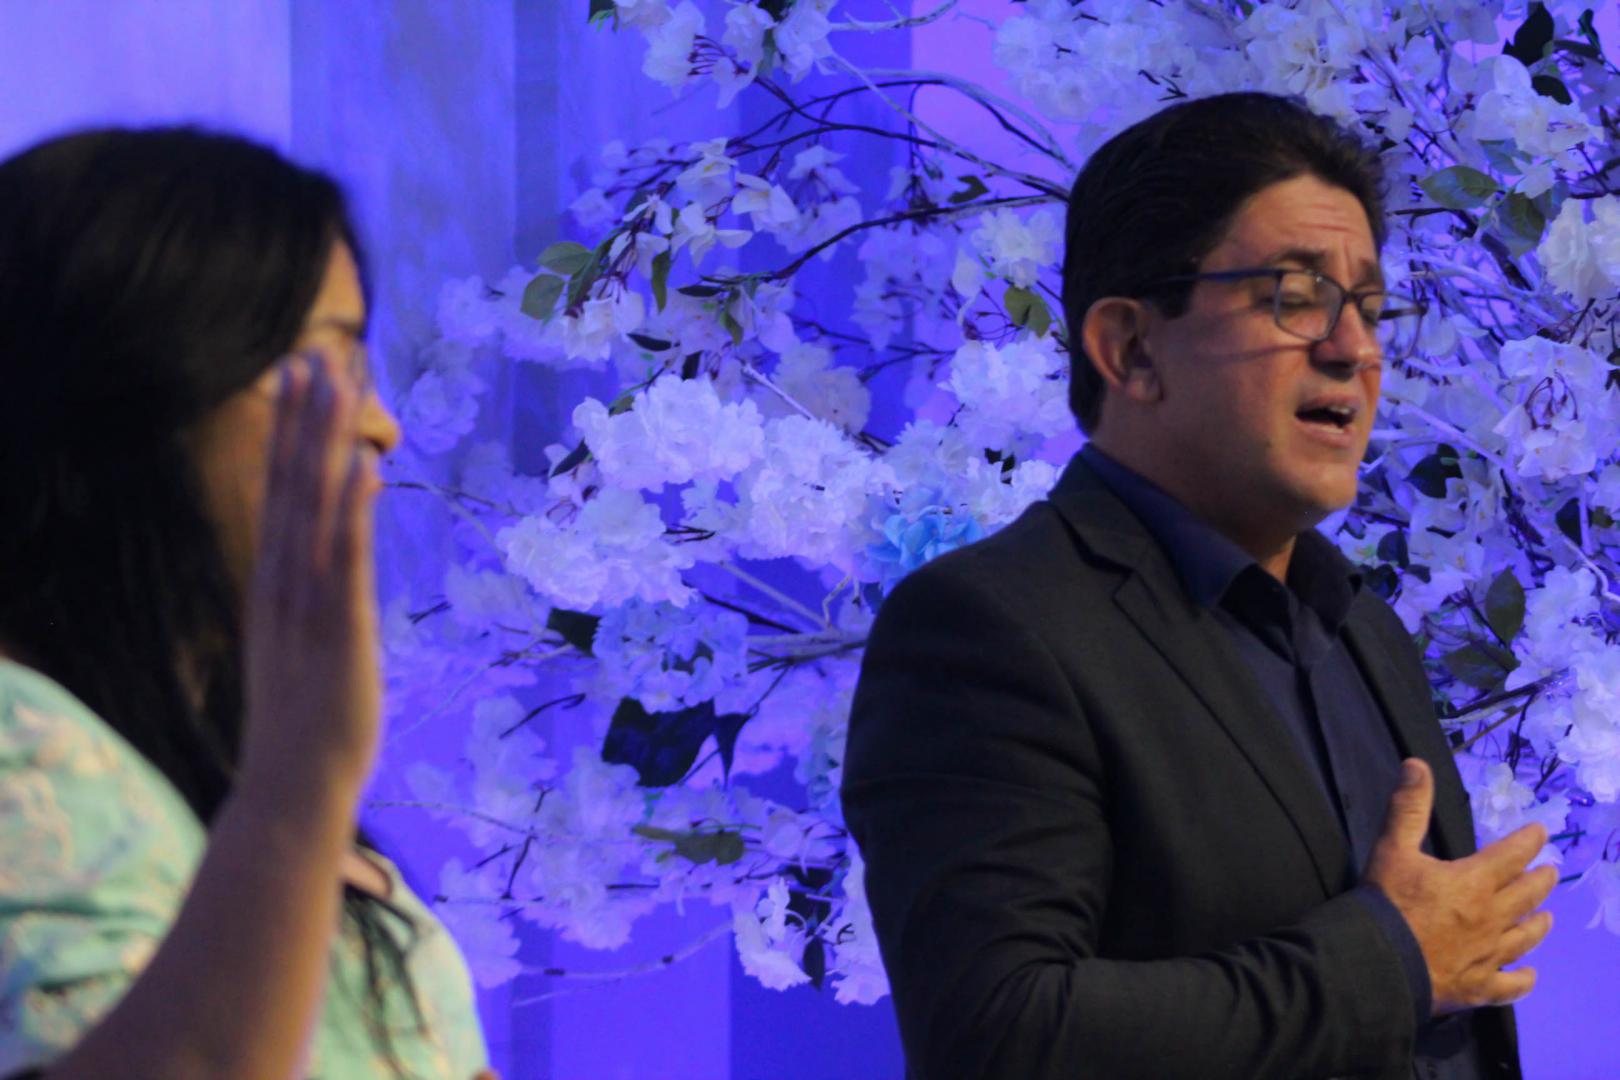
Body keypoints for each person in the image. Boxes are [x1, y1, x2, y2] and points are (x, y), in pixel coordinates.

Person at [841, 92, 1555, 1080]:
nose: (1354, 349)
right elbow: (1001, 1036)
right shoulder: (988, 628)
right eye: (1296, 295)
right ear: (1132, 349)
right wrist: (1390, 961)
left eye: (1371, 307)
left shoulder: (1365, 630)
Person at [0, 128, 494, 1079]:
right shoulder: (20, 743)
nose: (381, 427)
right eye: (331, 365)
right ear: (145, 384)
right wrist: (297, 786)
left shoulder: (214, 767)